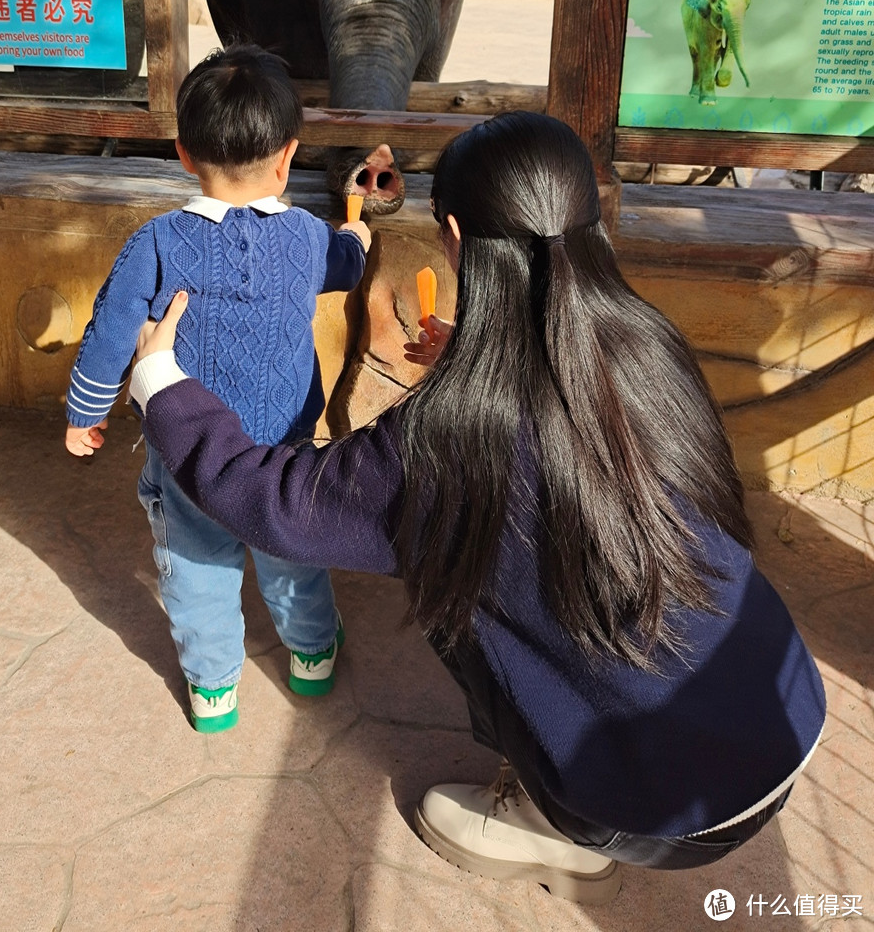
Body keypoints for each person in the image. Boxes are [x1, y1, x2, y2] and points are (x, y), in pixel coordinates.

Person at [126, 111, 825, 903]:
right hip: (786, 721)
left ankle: (552, 827)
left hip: (653, 811)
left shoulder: (446, 443)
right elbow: (557, 379)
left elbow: (273, 504)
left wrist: (165, 385)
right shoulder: (647, 343)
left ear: (453, 236)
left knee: (448, 575)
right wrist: (469, 347)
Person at [65, 44, 370, 732]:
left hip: (187, 454)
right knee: (291, 550)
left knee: (194, 567)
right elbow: (347, 265)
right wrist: (356, 229)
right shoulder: (306, 240)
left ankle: (212, 692)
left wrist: (84, 413)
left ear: (183, 152)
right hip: (286, 451)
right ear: (288, 156)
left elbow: (109, 335)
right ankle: (312, 657)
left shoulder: (156, 241)